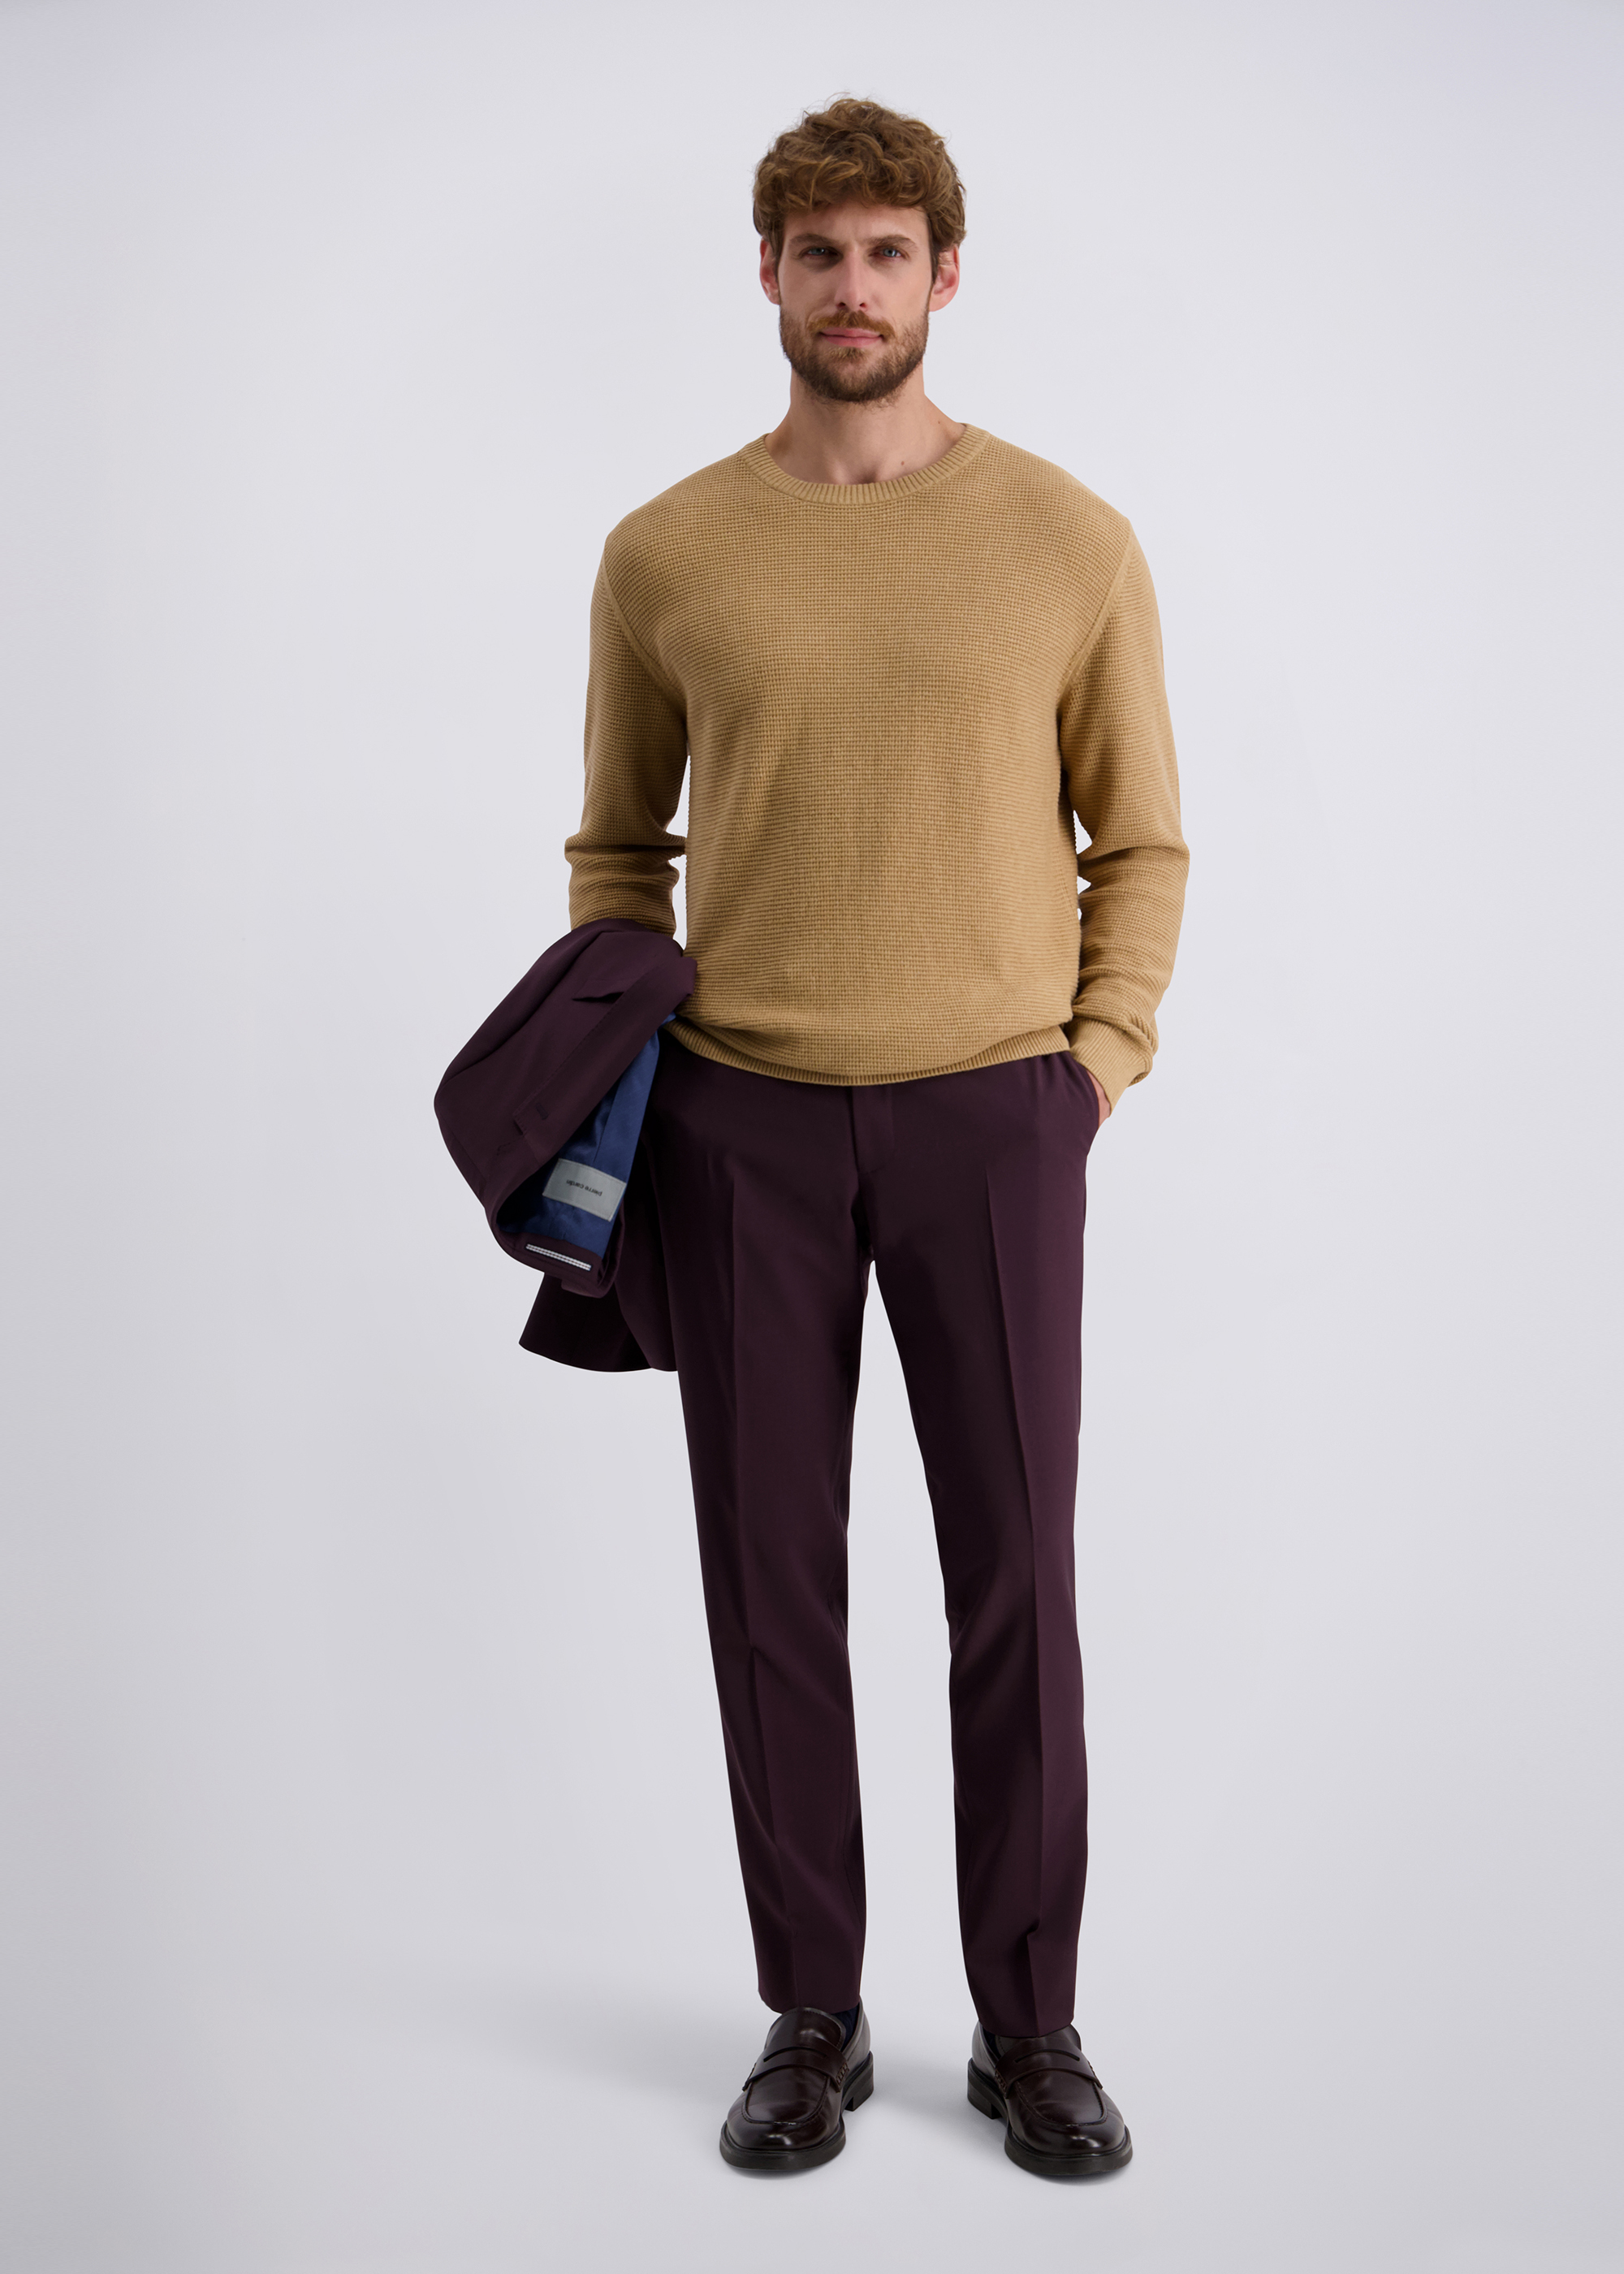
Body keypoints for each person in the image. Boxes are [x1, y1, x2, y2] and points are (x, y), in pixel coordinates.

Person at [562, 96, 1187, 2178]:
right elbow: (615, 849)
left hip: (995, 1122)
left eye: (887, 252)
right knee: (771, 1586)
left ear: (945, 274)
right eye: (818, 252)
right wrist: (635, 1078)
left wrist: (1091, 1067)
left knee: (1017, 1579)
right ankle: (809, 2013)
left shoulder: (1069, 539)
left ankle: (1031, 2020)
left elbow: (1142, 838)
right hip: (737, 1123)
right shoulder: (663, 553)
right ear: (766, 273)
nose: (853, 288)